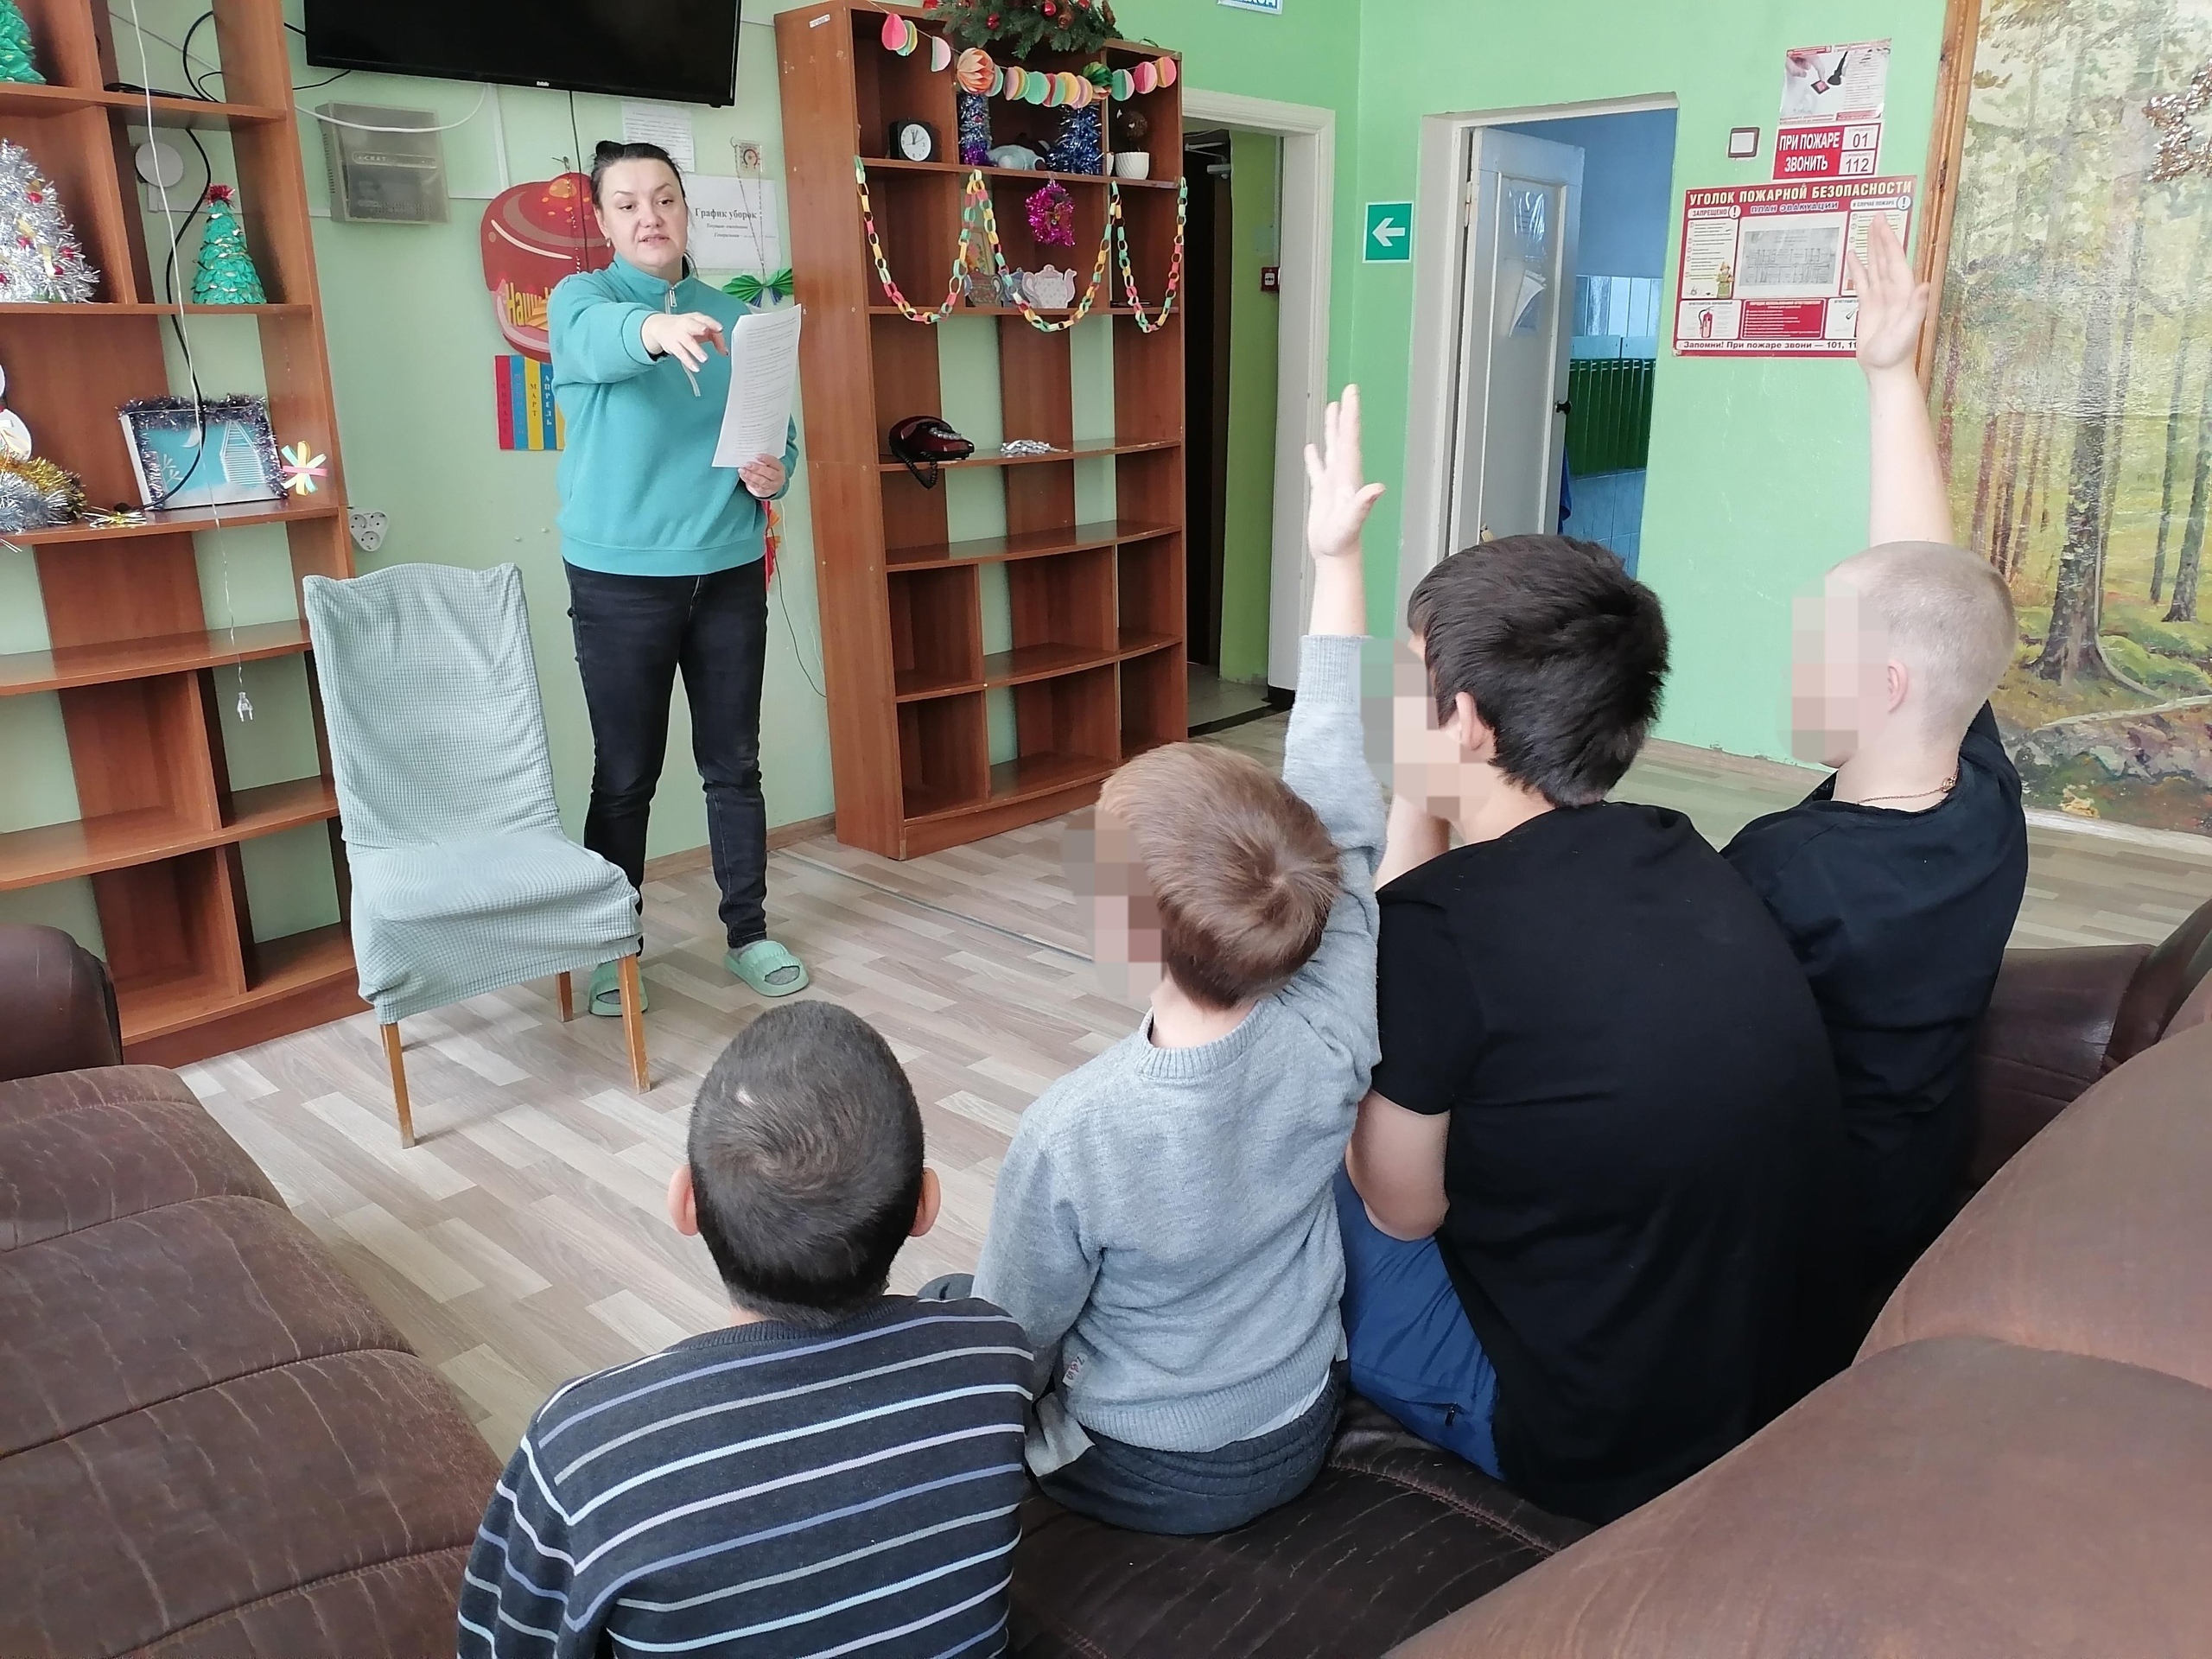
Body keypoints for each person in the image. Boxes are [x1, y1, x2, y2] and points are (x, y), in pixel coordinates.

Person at [1339, 529, 1850, 1525]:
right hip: (1761, 1387)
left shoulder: (1436, 937)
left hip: (1590, 1439)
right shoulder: (1678, 848)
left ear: (1468, 722)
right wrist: (1423, 795)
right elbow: (1433, 937)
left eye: (1409, 677)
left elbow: (1400, 1211)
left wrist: (1412, 805)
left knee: (1288, 1145)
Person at [961, 390, 1389, 1535]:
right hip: (1300, 1410)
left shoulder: (1075, 1130)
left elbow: (1018, 1341)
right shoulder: (1333, 1014)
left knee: (958, 1309)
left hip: (1150, 1465)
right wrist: (1336, 561)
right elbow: (1339, 797)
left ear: (1126, 929)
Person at [458, 1001, 1033, 1658]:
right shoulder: (996, 1356)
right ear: (925, 1207)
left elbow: (507, 1642)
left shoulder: (583, 1448)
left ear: (685, 1203)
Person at [1722, 216, 2029, 1299]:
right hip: (1909, 1183)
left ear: (1886, 683)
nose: (1796, 653)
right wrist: (1888, 378)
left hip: (1801, 1222)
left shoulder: (1787, 865)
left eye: (1818, 637)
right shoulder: (1980, 792)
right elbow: (1927, 583)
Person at [550, 140, 807, 1015]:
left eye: (664, 198)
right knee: (625, 774)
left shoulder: (734, 318)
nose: (649, 216)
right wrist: (655, 330)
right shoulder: (581, 302)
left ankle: (749, 933)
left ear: (685, 210)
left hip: (728, 568)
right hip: (619, 581)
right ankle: (610, 950)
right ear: (603, 221)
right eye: (627, 203)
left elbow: (778, 433)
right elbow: (604, 342)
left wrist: (775, 470)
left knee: (734, 765)